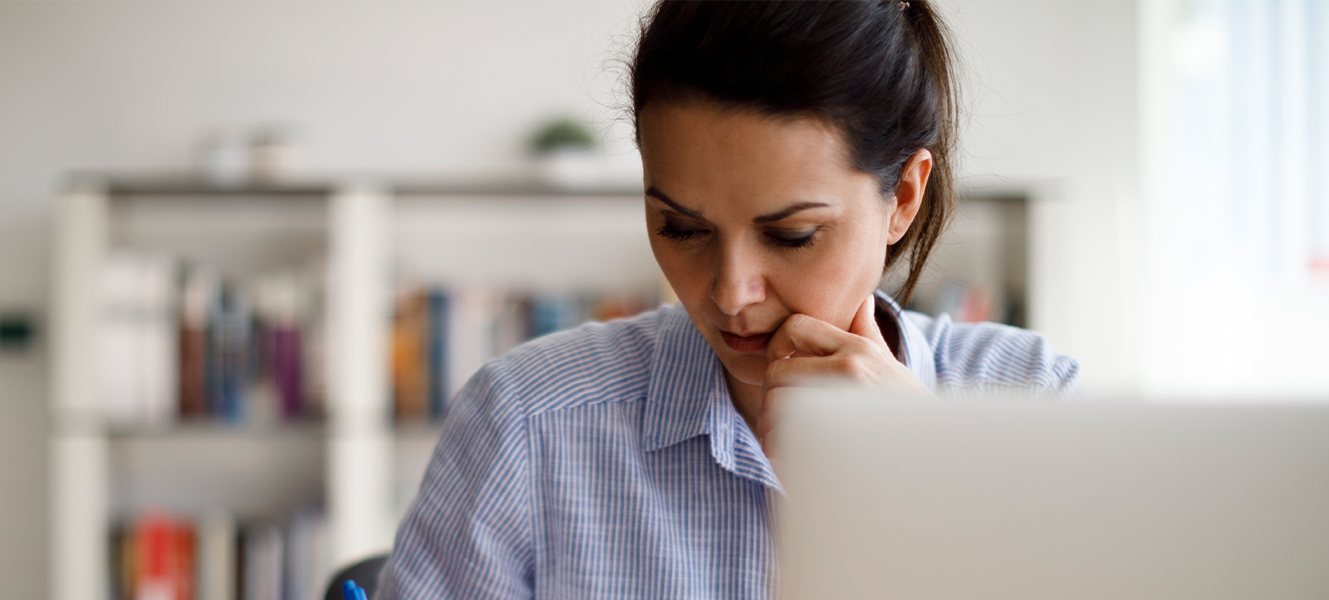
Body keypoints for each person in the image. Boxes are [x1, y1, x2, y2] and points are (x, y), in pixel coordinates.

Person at [375, 1, 1079, 598]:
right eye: (681, 228)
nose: (730, 292)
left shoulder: (1035, 403)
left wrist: (934, 486)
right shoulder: (525, 424)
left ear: (902, 198)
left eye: (792, 235)